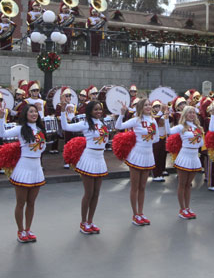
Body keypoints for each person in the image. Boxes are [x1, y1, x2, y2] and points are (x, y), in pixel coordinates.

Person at [0, 104, 46, 243]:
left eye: (35, 111)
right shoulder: (20, 129)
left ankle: (28, 229)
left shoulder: (40, 129)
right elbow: (2, 134)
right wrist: (1, 119)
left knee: (31, 203)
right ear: (25, 114)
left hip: (36, 168)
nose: (34, 114)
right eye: (31, 112)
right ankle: (20, 230)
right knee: (21, 203)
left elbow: (43, 147)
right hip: (24, 167)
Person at [60, 100, 109, 234]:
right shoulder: (86, 123)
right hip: (89, 159)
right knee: (89, 193)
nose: (98, 111)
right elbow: (66, 127)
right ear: (89, 111)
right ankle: (83, 223)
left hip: (100, 159)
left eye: (100, 109)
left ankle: (90, 221)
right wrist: (63, 111)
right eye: (95, 109)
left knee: (96, 193)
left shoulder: (102, 123)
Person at [116, 98, 159, 226]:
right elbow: (119, 126)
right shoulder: (136, 120)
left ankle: (141, 213)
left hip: (148, 155)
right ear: (140, 107)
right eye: (145, 105)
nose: (148, 107)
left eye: (149, 105)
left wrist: (147, 139)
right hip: (137, 155)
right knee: (135, 187)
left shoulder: (153, 121)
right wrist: (122, 114)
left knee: (142, 187)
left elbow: (156, 139)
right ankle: (135, 215)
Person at [164, 105, 204, 220]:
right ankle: (182, 209)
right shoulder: (181, 126)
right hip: (185, 156)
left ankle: (187, 207)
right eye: (189, 113)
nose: (192, 115)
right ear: (185, 115)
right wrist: (166, 119)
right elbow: (169, 131)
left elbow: (201, 144)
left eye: (193, 113)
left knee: (188, 185)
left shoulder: (197, 127)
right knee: (182, 184)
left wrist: (198, 138)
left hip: (194, 156)